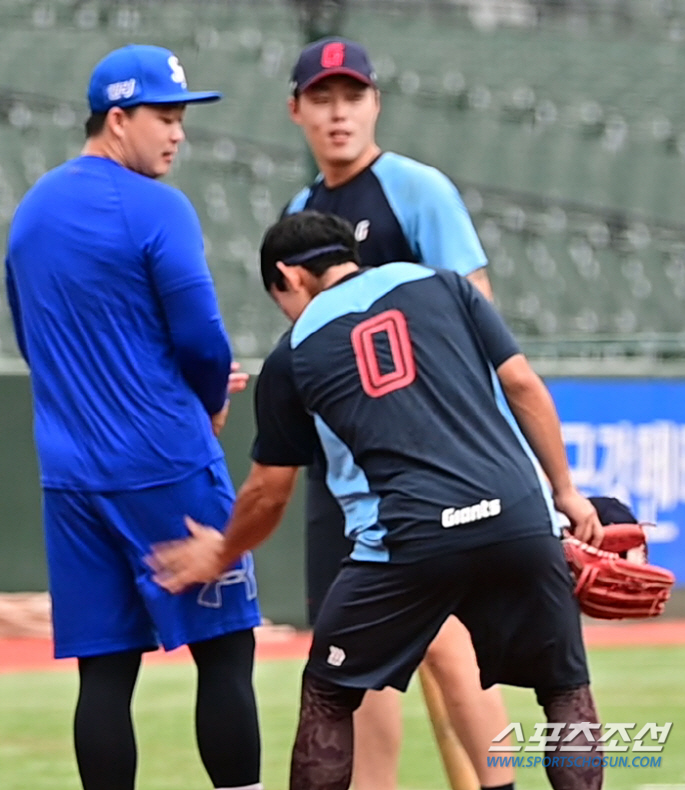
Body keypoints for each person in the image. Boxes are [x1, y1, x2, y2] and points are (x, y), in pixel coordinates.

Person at [148, 211, 606, 790]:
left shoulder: (295, 352)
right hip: (519, 514)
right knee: (564, 691)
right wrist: (565, 492)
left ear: (288, 276)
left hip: (412, 536)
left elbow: (268, 492)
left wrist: (220, 553)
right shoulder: (445, 284)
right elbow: (521, 385)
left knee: (329, 695)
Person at [4, 44, 262, 790]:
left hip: (71, 477)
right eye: (166, 118)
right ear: (117, 119)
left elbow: (35, 338)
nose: (178, 134)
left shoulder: (31, 213)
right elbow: (202, 339)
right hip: (166, 464)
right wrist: (208, 397)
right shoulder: (157, 205)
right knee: (225, 651)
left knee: (105, 675)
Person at [283, 35, 512, 790]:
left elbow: (474, 315)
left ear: (376, 103)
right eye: (322, 98)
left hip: (426, 468)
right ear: (296, 111)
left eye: (352, 96)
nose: (338, 112)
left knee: (452, 646)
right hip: (342, 475)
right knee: (349, 651)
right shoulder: (301, 212)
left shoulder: (417, 191)